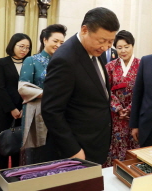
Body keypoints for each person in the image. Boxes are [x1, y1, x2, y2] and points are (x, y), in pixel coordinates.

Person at [41, 7, 120, 164]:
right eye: (102, 40)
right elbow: (51, 110)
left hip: (95, 143)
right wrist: (73, 150)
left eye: (110, 42)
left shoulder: (97, 53)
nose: (105, 47)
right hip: (76, 150)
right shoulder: (65, 59)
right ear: (84, 30)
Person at [18, 24, 66, 165]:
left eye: (62, 43)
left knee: (56, 152)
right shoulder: (31, 60)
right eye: (55, 41)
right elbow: (23, 88)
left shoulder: (64, 63)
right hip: (37, 113)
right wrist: (50, 94)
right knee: (37, 154)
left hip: (60, 114)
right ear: (45, 40)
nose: (58, 45)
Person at [0, 33, 32, 169]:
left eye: (27, 47)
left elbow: (32, 87)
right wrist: (12, 109)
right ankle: (3, 173)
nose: (24, 50)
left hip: (24, 109)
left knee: (18, 143)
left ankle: (15, 172)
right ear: (13, 45)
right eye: (21, 46)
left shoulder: (30, 63)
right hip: (5, 109)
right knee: (4, 142)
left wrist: (24, 107)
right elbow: (0, 88)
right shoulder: (2, 62)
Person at [103, 30, 140, 167]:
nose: (123, 50)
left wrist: (130, 108)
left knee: (133, 149)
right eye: (119, 47)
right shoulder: (110, 67)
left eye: (126, 46)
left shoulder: (142, 66)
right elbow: (105, 89)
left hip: (134, 116)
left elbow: (144, 91)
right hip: (115, 117)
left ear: (132, 46)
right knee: (114, 149)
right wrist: (118, 108)